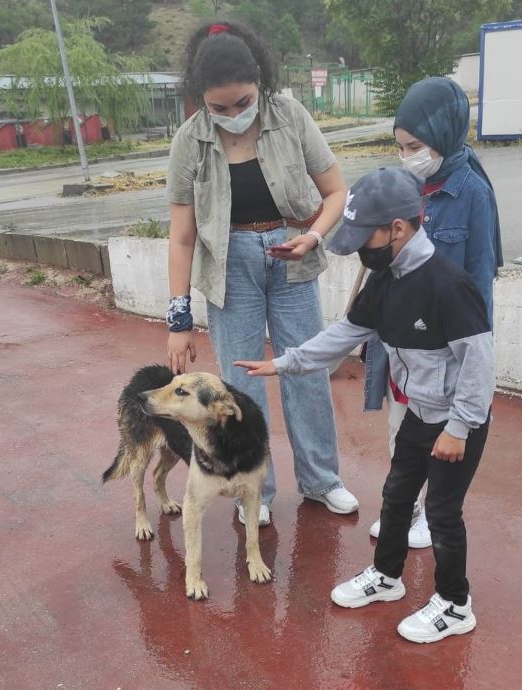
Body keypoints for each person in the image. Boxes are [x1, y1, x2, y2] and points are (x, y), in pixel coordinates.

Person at [236, 167, 495, 643]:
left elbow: (478, 364)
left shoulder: (448, 285)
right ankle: (387, 577)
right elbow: (344, 335)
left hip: (457, 423)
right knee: (396, 496)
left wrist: (459, 428)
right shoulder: (386, 279)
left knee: (441, 511)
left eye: (363, 237)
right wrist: (286, 362)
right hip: (419, 412)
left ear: (397, 228)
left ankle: (456, 604)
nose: (359, 249)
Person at [165, 21, 358, 526]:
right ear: (201, 100)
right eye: (218, 108)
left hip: (290, 256)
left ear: (259, 83)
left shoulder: (289, 116)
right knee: (242, 386)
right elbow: (182, 236)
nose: (233, 115)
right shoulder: (189, 141)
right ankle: (258, 488)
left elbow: (337, 191)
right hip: (228, 267)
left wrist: (313, 236)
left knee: (307, 371)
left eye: (242, 102)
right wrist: (178, 318)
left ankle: (321, 480)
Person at [365, 77, 503, 549]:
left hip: (444, 344)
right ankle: (408, 507)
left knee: (440, 435)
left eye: (415, 146)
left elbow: (479, 280)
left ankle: (431, 510)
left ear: (444, 135)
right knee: (401, 429)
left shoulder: (472, 193)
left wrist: (470, 352)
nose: (407, 156)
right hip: (403, 340)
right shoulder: (406, 184)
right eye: (400, 147)